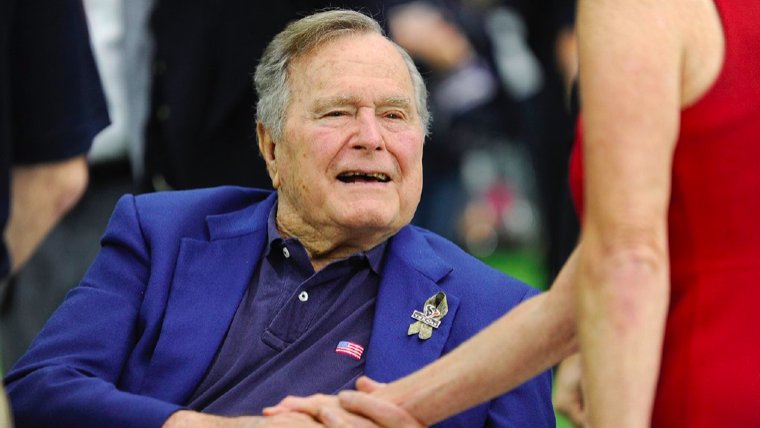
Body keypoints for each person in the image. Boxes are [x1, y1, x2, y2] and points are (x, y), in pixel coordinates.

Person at [4, 10, 554, 428]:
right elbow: (37, 389)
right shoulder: (161, 233)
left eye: (394, 115)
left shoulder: (497, 313)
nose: (371, 137)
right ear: (271, 148)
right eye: (337, 113)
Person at [266, 0, 760, 426]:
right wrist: (391, 406)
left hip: (702, 369)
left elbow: (626, 259)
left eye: (394, 115)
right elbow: (587, 285)